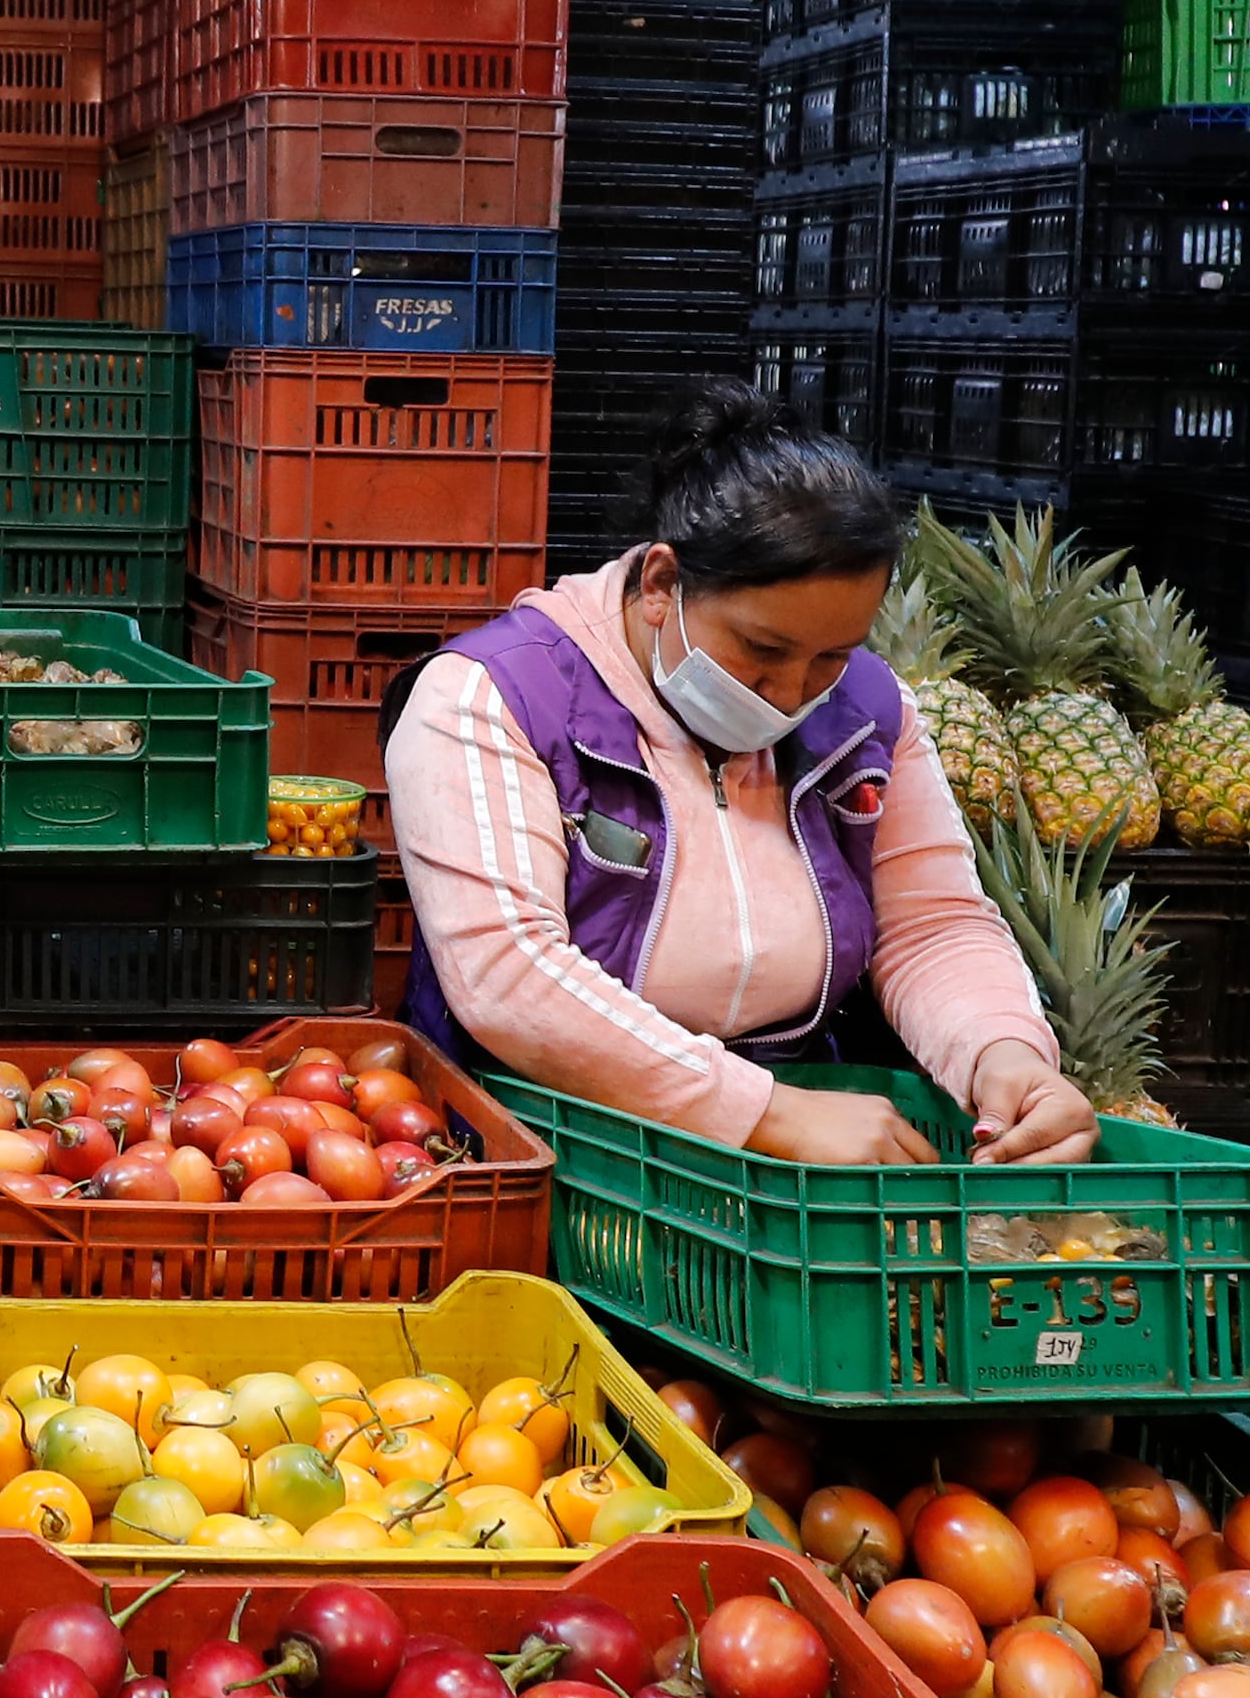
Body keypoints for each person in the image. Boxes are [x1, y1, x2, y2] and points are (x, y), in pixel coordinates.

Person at [383, 386, 1097, 1167]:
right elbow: (511, 976)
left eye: (832, 654)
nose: (792, 696)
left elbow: (930, 924)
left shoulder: (868, 709)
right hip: (542, 1143)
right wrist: (764, 1114)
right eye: (762, 650)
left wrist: (1004, 1053)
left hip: (798, 1147)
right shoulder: (494, 695)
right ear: (661, 584)